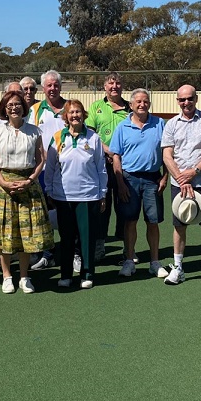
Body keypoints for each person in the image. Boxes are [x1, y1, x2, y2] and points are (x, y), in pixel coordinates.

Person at [0, 90, 54, 294]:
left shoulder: (35, 131)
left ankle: (25, 276)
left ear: (23, 108)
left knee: (27, 234)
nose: (14, 108)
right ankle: (7, 276)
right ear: (4, 110)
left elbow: (41, 159)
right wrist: (4, 183)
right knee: (5, 233)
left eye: (17, 104)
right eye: (10, 105)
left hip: (28, 187)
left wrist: (30, 180)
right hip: (3, 188)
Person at [161, 85, 201, 289]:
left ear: (196, 99)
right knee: (179, 226)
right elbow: (167, 155)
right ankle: (178, 268)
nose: (186, 103)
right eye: (182, 100)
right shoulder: (171, 124)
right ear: (177, 101)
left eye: (189, 99)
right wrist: (181, 178)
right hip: (179, 184)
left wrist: (194, 172)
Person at [44, 99, 107, 289]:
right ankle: (66, 274)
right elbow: (51, 168)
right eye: (71, 112)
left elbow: (101, 168)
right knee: (67, 236)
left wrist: (102, 193)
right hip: (63, 197)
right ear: (66, 116)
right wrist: (49, 190)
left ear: (83, 114)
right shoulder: (57, 138)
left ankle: (87, 273)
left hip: (88, 196)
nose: (75, 115)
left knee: (87, 237)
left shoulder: (93, 138)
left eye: (78, 112)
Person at [109, 89, 170, 279]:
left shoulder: (160, 124)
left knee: (153, 221)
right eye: (138, 102)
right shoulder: (122, 126)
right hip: (129, 179)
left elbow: (169, 153)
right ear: (132, 104)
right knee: (130, 221)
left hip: (153, 179)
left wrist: (165, 177)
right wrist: (120, 183)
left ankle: (154, 262)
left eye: (145, 101)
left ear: (149, 104)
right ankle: (129, 260)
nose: (142, 105)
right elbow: (116, 156)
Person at [85, 71, 131, 260]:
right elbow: (90, 134)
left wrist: (119, 154)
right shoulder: (96, 106)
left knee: (125, 205)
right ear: (105, 87)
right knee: (103, 206)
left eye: (118, 83)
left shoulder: (130, 108)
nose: (114, 87)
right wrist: (109, 151)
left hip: (126, 164)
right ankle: (99, 245)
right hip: (101, 164)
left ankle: (127, 247)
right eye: (111, 84)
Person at [29, 70, 67, 270]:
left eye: (56, 85)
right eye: (49, 85)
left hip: (68, 170)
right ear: (43, 88)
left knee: (67, 211)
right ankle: (47, 253)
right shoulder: (35, 110)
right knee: (44, 213)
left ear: (61, 87)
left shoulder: (70, 107)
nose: (53, 88)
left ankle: (72, 253)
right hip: (43, 170)